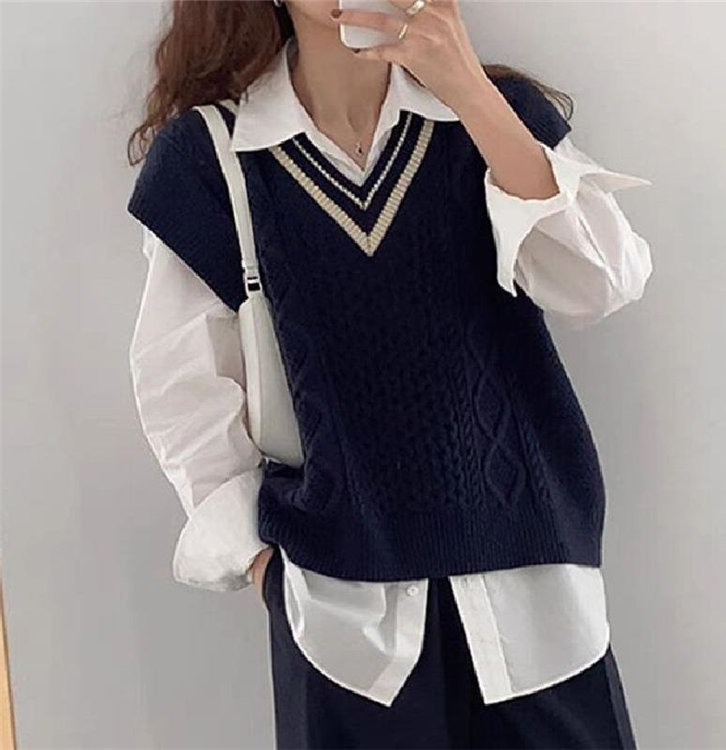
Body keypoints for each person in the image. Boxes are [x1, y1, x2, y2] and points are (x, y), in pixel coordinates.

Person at [125, 1, 653, 747]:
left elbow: (600, 284)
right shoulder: (210, 159)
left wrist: (467, 88)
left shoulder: (490, 117)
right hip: (342, 621)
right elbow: (182, 389)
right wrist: (263, 566)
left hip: (534, 593)